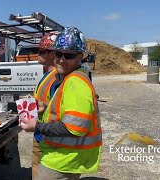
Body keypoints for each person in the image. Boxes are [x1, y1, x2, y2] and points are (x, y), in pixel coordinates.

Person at [21, 27, 102, 180]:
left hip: (62, 160)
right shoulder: (65, 79)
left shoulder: (75, 82)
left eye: (68, 55)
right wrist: (45, 107)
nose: (61, 59)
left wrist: (36, 126)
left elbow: (74, 127)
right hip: (59, 155)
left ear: (80, 57)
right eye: (58, 54)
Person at [32, 32, 58, 179]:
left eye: (42, 51)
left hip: (48, 134)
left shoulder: (56, 76)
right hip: (41, 132)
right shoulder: (47, 74)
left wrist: (45, 105)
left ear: (53, 54)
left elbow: (59, 105)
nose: (38, 53)